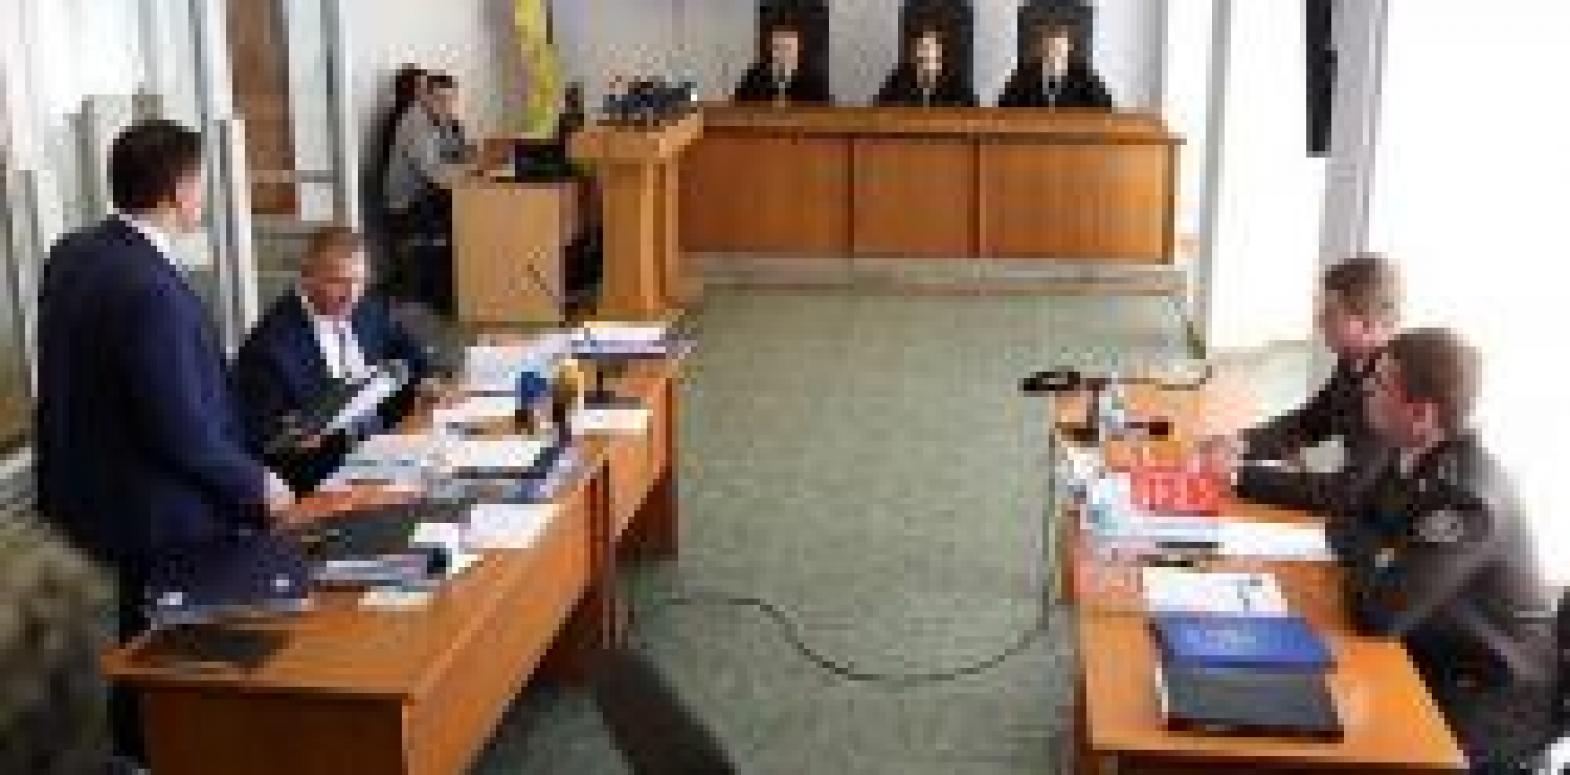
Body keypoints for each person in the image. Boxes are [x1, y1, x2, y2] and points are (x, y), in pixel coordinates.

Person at [35, 119, 294, 767]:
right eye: (200, 182)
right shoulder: (151, 290)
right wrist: (257, 481)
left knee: (140, 633)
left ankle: (134, 750)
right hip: (157, 505)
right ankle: (156, 751)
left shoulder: (73, 251)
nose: (204, 194)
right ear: (179, 191)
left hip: (96, 490)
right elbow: (179, 428)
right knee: (172, 649)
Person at [1333, 329, 1556, 773]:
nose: (1367, 389)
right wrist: (1381, 559)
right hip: (1432, 649)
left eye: (1380, 383)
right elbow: (1342, 522)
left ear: (1420, 413)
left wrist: (1377, 558)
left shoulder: (1465, 497)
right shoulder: (1412, 455)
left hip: (1486, 692)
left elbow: (1378, 614)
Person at [235, 226, 433, 493]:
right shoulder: (269, 346)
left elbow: (408, 351)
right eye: (338, 282)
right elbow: (258, 437)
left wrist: (427, 382)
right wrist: (293, 438)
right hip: (322, 476)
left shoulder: (366, 308)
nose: (351, 295)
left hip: (384, 449)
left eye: (359, 281)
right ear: (307, 277)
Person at [1202, 254, 1401, 513]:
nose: (1320, 321)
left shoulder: (1390, 388)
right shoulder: (1354, 364)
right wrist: (1238, 444)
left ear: (1368, 323)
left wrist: (1237, 475)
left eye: (1331, 313)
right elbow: (1309, 423)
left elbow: (1347, 493)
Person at [384, 71, 473, 316]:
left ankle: (467, 289)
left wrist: (464, 147)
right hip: (407, 204)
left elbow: (458, 154)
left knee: (470, 213)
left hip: (428, 195)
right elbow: (436, 174)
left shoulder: (440, 120)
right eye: (441, 99)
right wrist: (469, 170)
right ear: (426, 97)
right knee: (465, 221)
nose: (446, 106)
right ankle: (448, 297)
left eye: (451, 100)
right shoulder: (416, 123)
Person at [997, 23, 1113, 109]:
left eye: (1058, 49)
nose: (1053, 52)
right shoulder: (1020, 82)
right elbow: (1004, 110)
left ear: (1069, 47)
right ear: (1039, 49)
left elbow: (1106, 109)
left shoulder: (1088, 81)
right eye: (1049, 47)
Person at [875, 28, 977, 108]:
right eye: (921, 56)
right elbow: (879, 113)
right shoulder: (897, 83)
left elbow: (972, 117)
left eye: (930, 55)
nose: (924, 55)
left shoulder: (956, 86)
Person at [733, 25, 832, 104]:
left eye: (788, 47)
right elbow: (739, 105)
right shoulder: (753, 77)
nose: (783, 53)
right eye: (778, 47)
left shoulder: (814, 81)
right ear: (770, 49)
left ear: (798, 49)